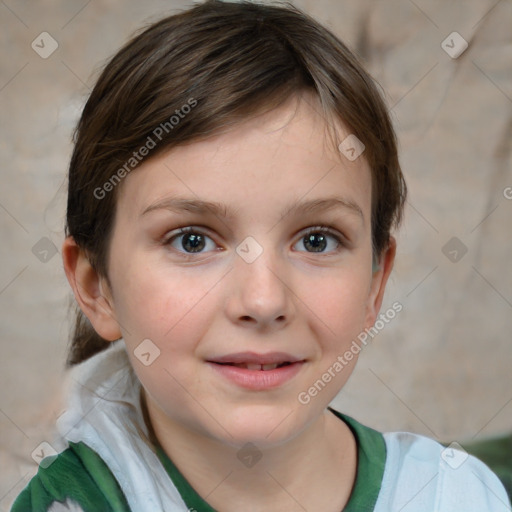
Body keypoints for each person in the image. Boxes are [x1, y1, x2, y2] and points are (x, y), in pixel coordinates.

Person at [11, 1, 511, 511]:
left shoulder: (456, 496)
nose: (264, 298)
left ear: (375, 285)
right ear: (98, 287)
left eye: (316, 240)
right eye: (192, 240)